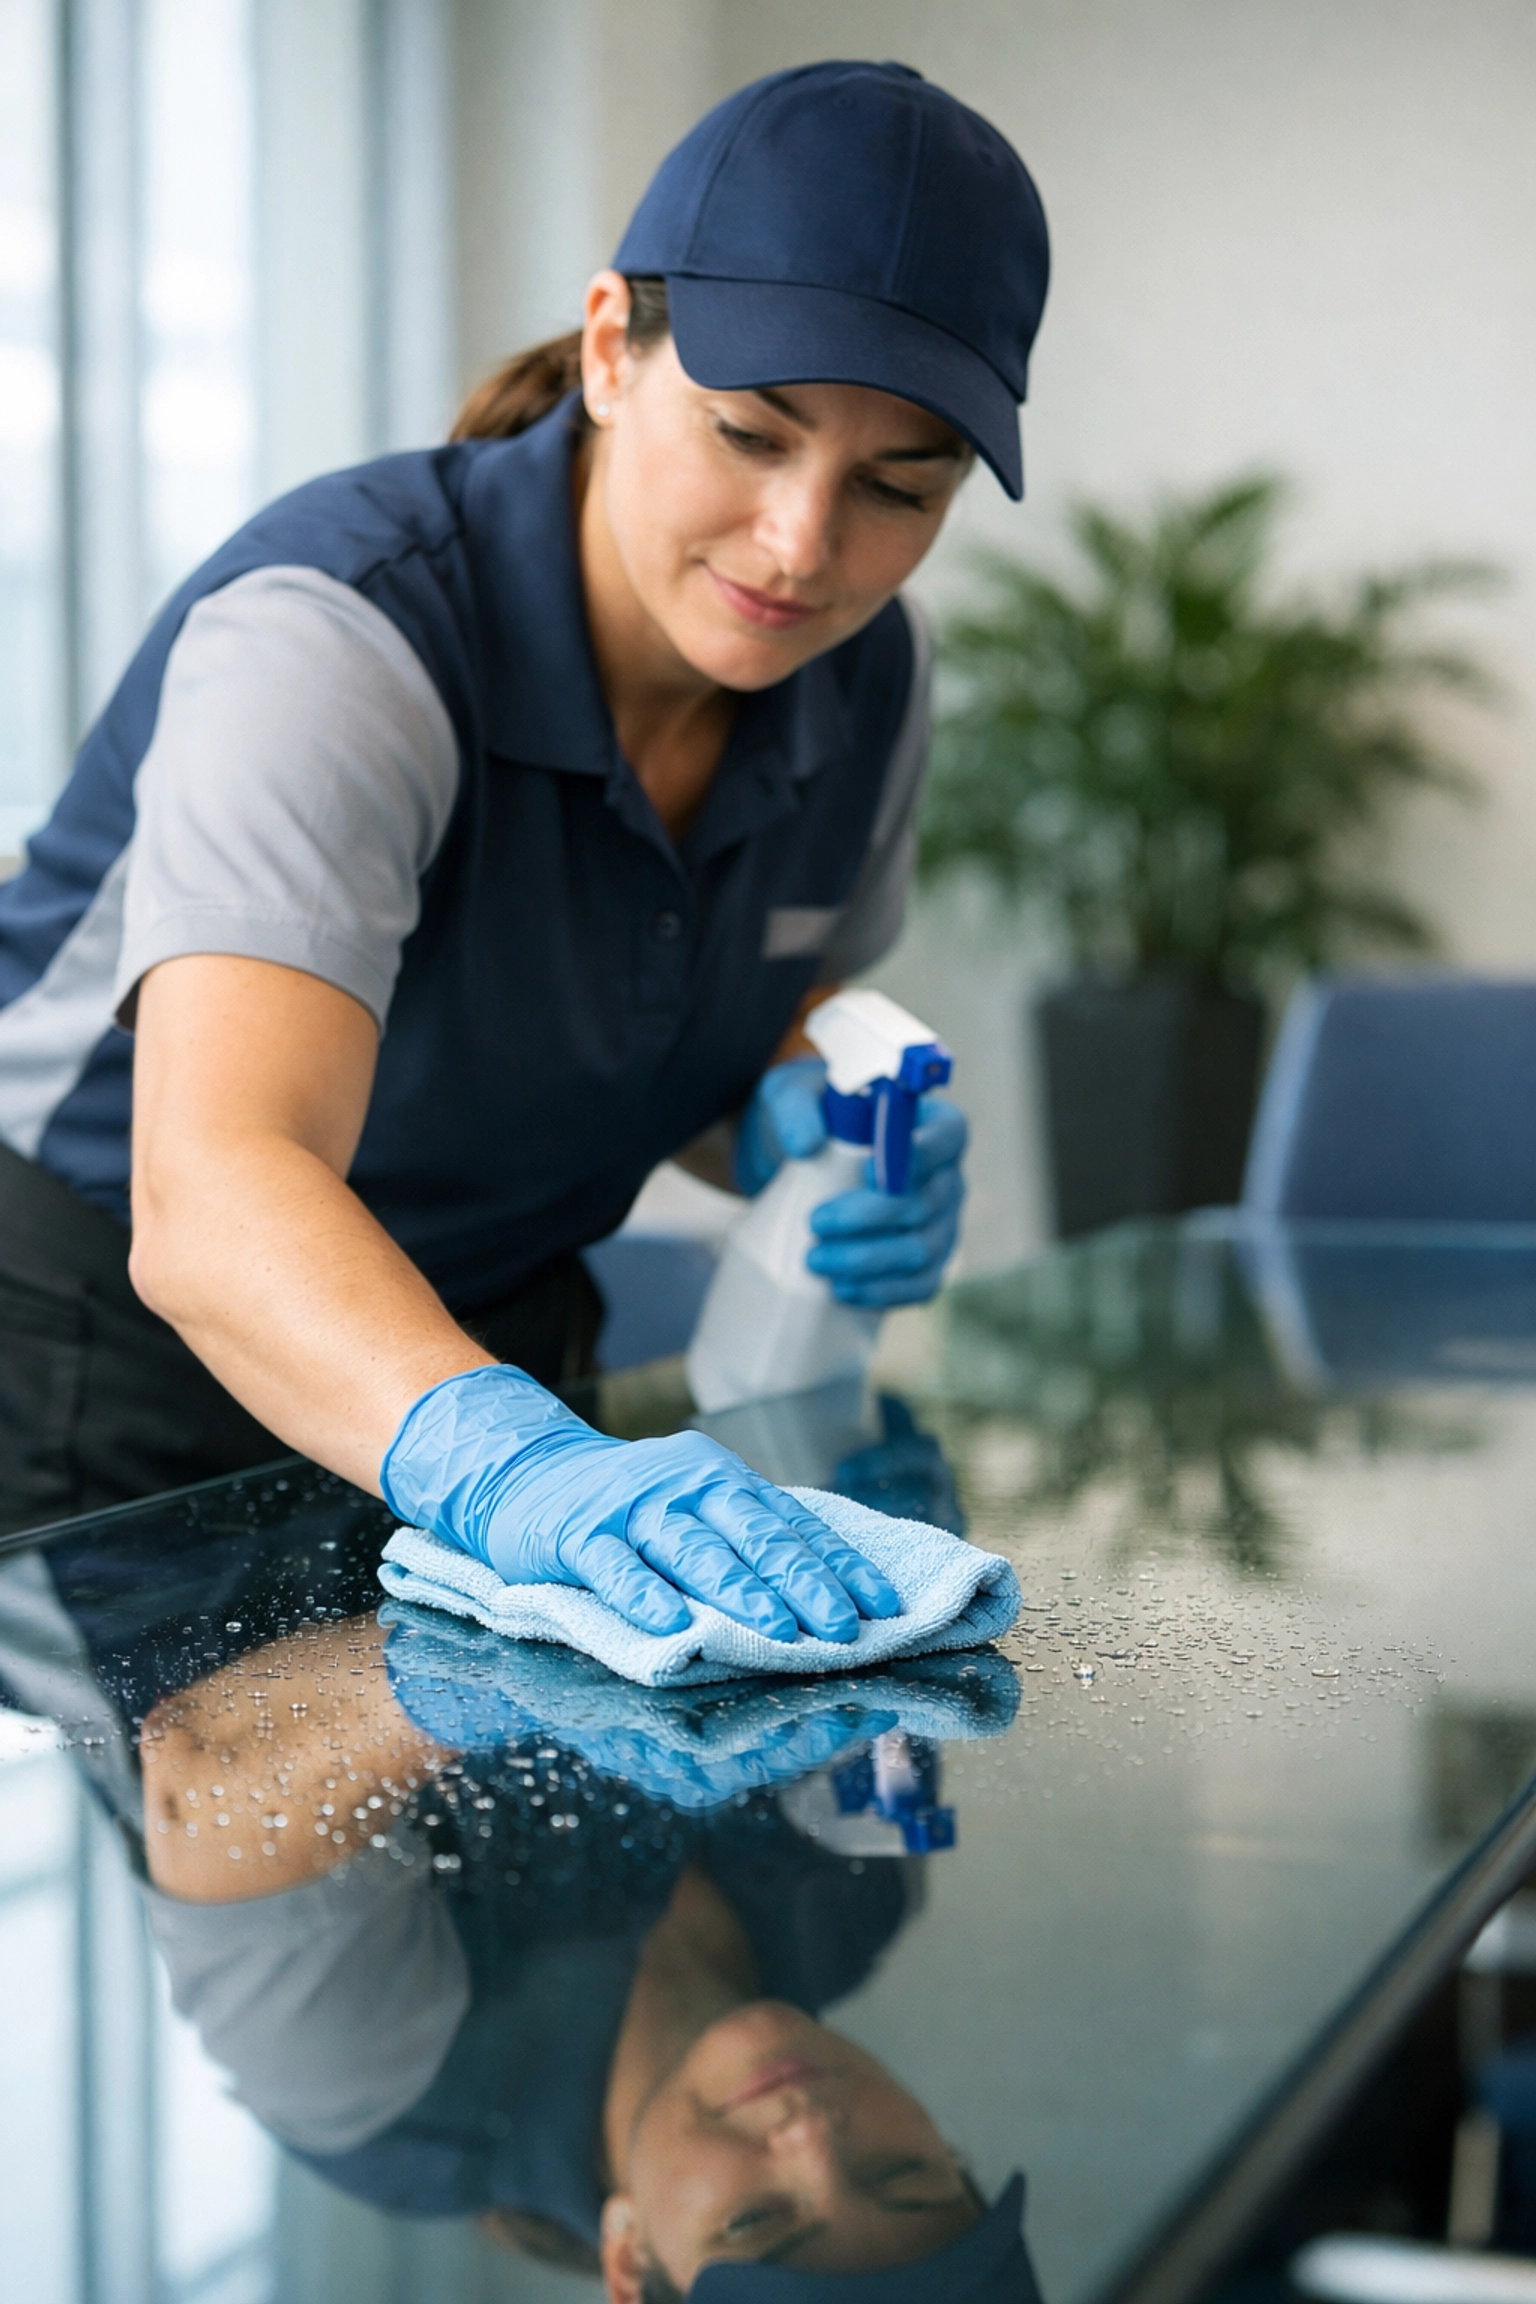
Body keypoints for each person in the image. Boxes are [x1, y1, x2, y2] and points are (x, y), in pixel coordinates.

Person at [0, 61, 1049, 1641]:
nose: (803, 548)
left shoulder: (866, 675)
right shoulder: (345, 638)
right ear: (615, 345)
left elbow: (697, 996)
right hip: (115, 1365)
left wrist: (788, 1114)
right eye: (752, 437)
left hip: (498, 1354)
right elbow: (217, 1184)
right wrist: (513, 1468)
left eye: (899, 489)